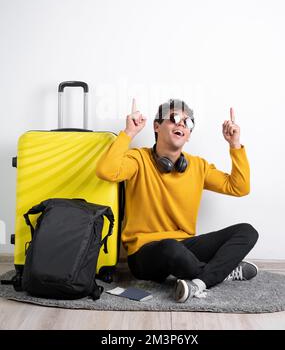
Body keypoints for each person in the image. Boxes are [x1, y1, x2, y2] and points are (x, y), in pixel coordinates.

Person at [96, 98, 259, 302]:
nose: (181, 124)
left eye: (187, 122)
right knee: (170, 247)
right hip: (144, 254)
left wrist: (234, 145)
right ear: (157, 126)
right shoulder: (138, 159)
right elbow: (105, 171)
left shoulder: (198, 166)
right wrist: (129, 133)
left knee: (247, 231)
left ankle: (200, 281)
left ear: (189, 135)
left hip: (184, 246)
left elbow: (240, 187)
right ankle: (222, 271)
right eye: (173, 118)